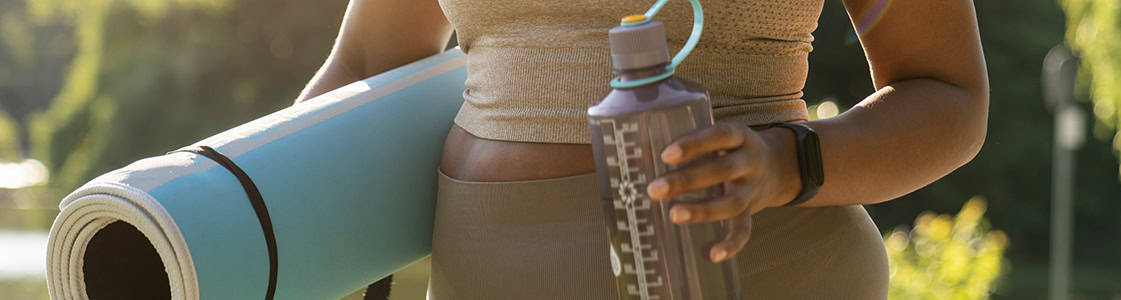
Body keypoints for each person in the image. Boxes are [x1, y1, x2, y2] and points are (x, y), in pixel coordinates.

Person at [296, 0, 988, 298]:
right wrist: (218, 205)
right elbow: (362, 66)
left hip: (765, 274)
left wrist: (782, 162)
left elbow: (947, 93)